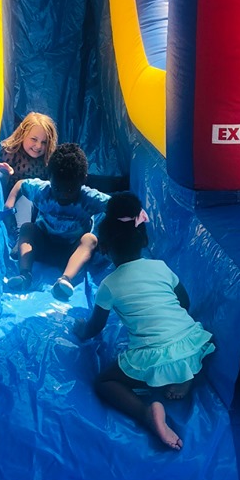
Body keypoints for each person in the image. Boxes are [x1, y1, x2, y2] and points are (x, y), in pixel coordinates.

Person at [73, 192, 214, 450]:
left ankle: (146, 412)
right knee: (176, 349)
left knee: (104, 382)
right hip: (191, 343)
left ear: (104, 248)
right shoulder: (160, 266)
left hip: (154, 357)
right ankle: (185, 374)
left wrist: (81, 329)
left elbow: (95, 328)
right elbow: (185, 303)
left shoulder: (109, 285)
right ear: (144, 238)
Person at [3, 142, 109, 300]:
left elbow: (117, 206)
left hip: (71, 253)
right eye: (57, 189)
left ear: (83, 181)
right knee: (27, 228)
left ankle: (65, 280)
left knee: (90, 239)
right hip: (44, 245)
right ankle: (25, 275)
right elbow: (20, 184)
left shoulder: (89, 198)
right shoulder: (42, 191)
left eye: (70, 190)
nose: (63, 195)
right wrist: (9, 205)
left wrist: (106, 236)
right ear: (50, 178)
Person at [0, 111, 58, 196]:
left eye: (44, 142)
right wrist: (5, 173)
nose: (38, 146)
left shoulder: (47, 160)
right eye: (34, 139)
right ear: (22, 134)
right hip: (11, 198)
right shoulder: (10, 153)